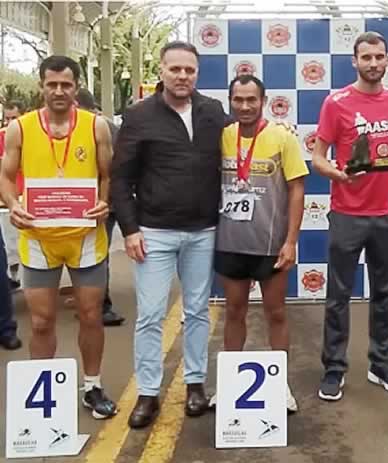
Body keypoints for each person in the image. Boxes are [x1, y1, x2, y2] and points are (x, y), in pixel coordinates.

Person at [112, 41, 226, 428]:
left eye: (189, 70)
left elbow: (242, 144)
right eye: (175, 69)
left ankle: (195, 384)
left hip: (203, 231)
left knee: (197, 312)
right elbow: (120, 178)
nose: (182, 76)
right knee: (150, 316)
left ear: (197, 73)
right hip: (153, 233)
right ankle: (148, 393)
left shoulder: (213, 111)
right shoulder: (139, 115)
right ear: (161, 70)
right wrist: (130, 230)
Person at [0, 55, 117, 418]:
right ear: (41, 87)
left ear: (77, 87)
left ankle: (93, 386)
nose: (59, 91)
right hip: (39, 239)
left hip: (85, 238)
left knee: (91, 316)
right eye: (52, 84)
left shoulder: (96, 126)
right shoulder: (20, 128)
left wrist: (105, 201)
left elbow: (108, 174)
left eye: (66, 84)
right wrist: (13, 204)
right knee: (40, 322)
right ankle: (42, 396)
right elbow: (5, 176)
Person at [312, 31, 388, 401]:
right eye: (366, 57)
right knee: (338, 295)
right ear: (354, 61)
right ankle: (334, 368)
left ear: (387, 60)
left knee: (383, 294)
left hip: (387, 214)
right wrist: (336, 173)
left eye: (379, 57)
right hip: (347, 213)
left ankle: (381, 364)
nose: (373, 63)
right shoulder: (336, 102)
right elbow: (318, 158)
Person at [215, 75, 308, 412]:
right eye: (238, 99)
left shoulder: (283, 137)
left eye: (251, 99)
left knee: (276, 313)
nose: (244, 106)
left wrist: (291, 241)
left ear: (263, 101)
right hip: (230, 242)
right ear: (229, 101)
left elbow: (297, 188)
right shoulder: (221, 136)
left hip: (270, 245)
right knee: (234, 312)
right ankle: (230, 383)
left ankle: (281, 385)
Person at [75, 88, 125, 326]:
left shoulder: (102, 128)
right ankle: (90, 302)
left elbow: (113, 168)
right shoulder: (105, 126)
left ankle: (101, 306)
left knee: (96, 254)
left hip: (101, 204)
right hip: (91, 203)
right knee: (90, 254)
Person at [0, 100, 24, 289]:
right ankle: (11, 277)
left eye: (13, 118)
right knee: (9, 244)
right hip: (5, 201)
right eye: (6, 119)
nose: (9, 123)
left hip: (27, 197)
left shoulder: (31, 136)